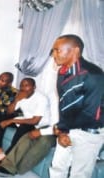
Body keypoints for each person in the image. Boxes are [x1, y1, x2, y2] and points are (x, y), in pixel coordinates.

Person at [49, 34, 104, 178]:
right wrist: (62, 130)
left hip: (89, 131)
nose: (53, 55)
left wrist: (62, 129)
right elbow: (65, 104)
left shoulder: (94, 75)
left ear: (74, 50)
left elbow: (91, 113)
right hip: (68, 128)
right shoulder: (63, 72)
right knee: (57, 167)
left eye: (57, 50)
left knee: (79, 174)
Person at [0, 78, 50, 156]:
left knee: (23, 127)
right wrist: (16, 100)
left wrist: (12, 121)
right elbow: (9, 112)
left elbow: (35, 121)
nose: (23, 88)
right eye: (21, 86)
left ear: (34, 87)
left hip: (40, 125)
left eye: (26, 85)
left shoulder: (41, 99)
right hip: (27, 119)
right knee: (2, 118)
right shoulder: (21, 96)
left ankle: (9, 156)